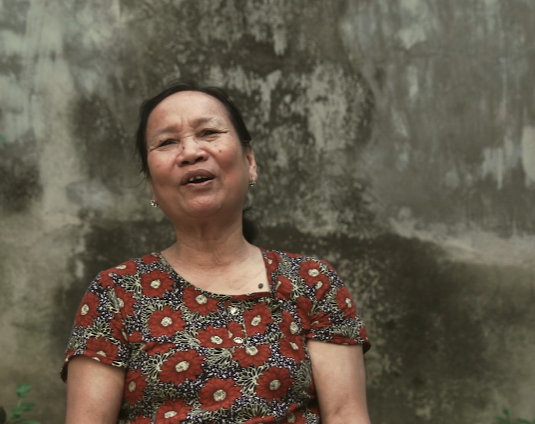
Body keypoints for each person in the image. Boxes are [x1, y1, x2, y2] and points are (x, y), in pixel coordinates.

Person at [62, 82, 372, 424]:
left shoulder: (312, 283)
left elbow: (345, 414)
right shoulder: (115, 293)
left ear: (250, 161)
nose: (190, 152)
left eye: (208, 132)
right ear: (152, 184)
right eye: (167, 142)